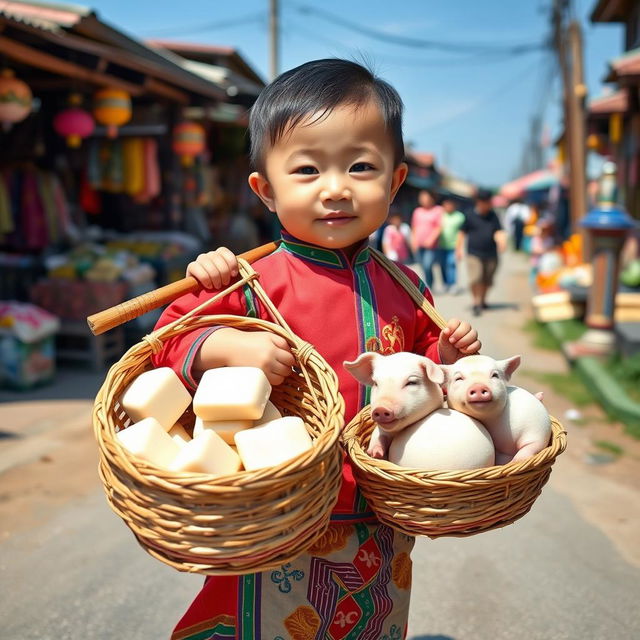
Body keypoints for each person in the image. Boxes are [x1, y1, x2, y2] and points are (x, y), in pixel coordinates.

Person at [152, 58, 481, 640]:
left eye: (360, 166)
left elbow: (434, 379)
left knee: (371, 622)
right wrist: (224, 344)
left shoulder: (408, 287)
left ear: (395, 181)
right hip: (273, 510)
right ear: (266, 190)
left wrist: (452, 361)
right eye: (306, 170)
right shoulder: (246, 281)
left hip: (379, 512)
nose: (336, 188)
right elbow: (164, 348)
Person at [456, 188, 506, 316]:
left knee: (487, 280)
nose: (486, 205)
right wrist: (458, 249)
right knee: (475, 278)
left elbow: (498, 231)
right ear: (478, 202)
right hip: (474, 253)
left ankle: (482, 300)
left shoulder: (493, 216)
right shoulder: (469, 215)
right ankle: (476, 302)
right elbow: (462, 233)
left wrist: (501, 242)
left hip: (491, 253)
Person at [410, 189, 443, 289]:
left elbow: (439, 227)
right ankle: (428, 283)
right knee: (422, 265)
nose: (423, 199)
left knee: (428, 264)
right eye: (422, 197)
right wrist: (413, 241)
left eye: (426, 197)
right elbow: (414, 227)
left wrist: (431, 239)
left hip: (431, 245)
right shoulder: (417, 211)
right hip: (419, 244)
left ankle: (429, 284)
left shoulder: (438, 210)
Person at [436, 197, 465, 293]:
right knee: (442, 265)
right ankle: (446, 283)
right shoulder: (440, 215)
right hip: (441, 245)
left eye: (450, 205)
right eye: (446, 205)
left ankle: (452, 284)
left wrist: (460, 248)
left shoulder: (460, 217)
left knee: (451, 264)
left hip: (453, 246)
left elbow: (463, 233)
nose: (448, 207)